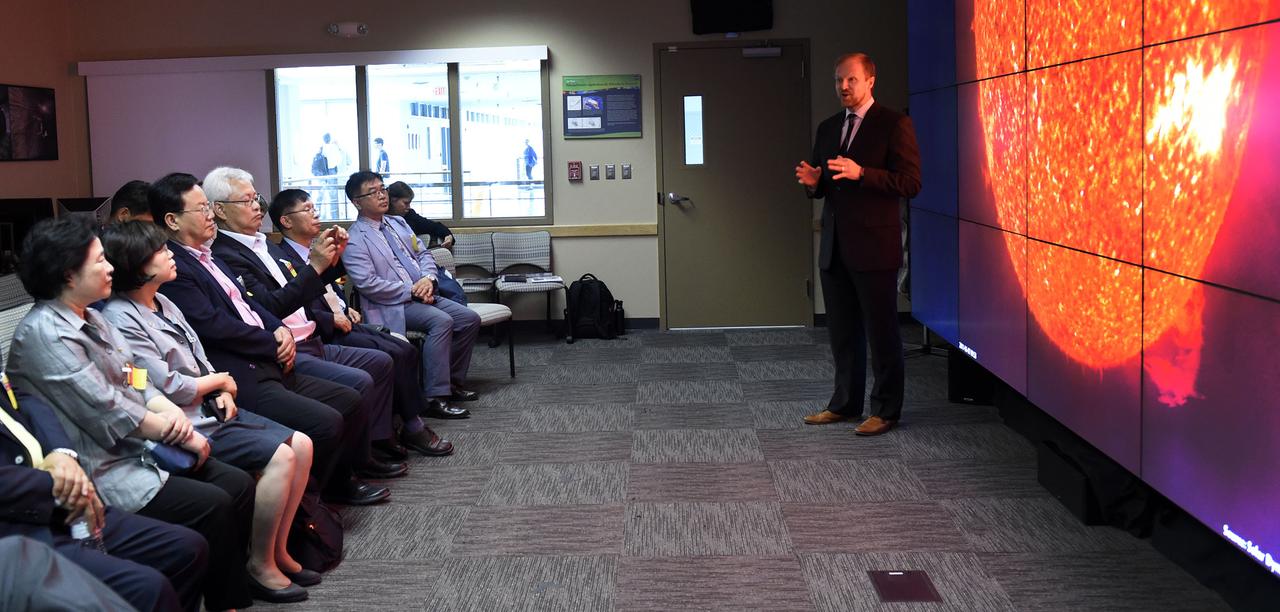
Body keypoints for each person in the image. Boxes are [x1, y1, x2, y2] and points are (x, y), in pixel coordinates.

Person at [7, 216, 254, 611]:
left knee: (236, 484)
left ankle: (232, 591)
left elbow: (133, 375)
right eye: (100, 261)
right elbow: (109, 409)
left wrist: (168, 412)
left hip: (138, 446)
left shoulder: (93, 315)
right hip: (103, 464)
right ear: (70, 274)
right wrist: (180, 433)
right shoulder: (47, 334)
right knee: (214, 505)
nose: (110, 269)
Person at [101, 220, 318, 602]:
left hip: (210, 405)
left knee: (302, 445)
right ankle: (259, 564)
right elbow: (164, 383)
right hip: (185, 419)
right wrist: (219, 383)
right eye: (161, 251)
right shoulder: (121, 317)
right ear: (138, 265)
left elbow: (198, 355)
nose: (171, 255)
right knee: (283, 456)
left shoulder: (164, 300)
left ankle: (278, 549)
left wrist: (219, 384)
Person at [147, 172, 388, 507]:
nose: (258, 206)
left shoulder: (215, 254)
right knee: (328, 419)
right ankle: (314, 499)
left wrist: (279, 329)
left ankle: (341, 477)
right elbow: (214, 325)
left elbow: (251, 305)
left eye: (256, 197)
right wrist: (273, 341)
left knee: (353, 392)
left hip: (280, 349)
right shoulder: (180, 266)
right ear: (172, 220)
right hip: (245, 369)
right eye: (201, 209)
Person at [203, 166, 409, 477]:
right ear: (219, 210)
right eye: (247, 201)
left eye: (256, 197)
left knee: (382, 360)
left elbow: (302, 292)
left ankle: (375, 444)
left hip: (313, 336)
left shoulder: (264, 243)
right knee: (359, 383)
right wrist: (316, 268)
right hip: (291, 349)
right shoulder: (225, 255)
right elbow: (271, 305)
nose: (258, 206)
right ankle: (352, 468)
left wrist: (329, 263)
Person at [1, 371, 209, 612]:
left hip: (71, 494)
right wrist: (58, 484)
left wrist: (61, 453)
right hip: (18, 526)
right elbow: (104, 403)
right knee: (150, 589)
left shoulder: (104, 333)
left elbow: (21, 398)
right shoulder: (52, 336)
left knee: (188, 549)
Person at [271, 188, 457, 454]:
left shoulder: (318, 248)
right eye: (308, 210)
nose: (316, 214)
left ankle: (403, 425)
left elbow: (329, 288)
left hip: (345, 319)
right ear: (286, 221)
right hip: (322, 331)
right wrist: (331, 316)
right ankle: (398, 432)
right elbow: (294, 300)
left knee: (403, 349)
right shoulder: (282, 256)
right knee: (393, 353)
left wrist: (345, 307)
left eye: (315, 208)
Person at [795, 52, 921, 436]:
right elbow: (824, 187)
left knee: (882, 333)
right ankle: (844, 404)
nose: (843, 87)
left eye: (851, 80)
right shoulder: (828, 128)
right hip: (834, 247)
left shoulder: (894, 124)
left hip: (874, 247)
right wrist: (814, 184)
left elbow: (910, 183)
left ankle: (886, 410)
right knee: (843, 333)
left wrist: (862, 172)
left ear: (870, 81)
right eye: (838, 81)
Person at [341, 171, 481, 418]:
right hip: (394, 303)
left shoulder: (399, 223)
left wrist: (428, 279)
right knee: (441, 321)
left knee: (469, 319)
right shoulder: (354, 239)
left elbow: (424, 255)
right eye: (372, 192)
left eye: (382, 189)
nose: (382, 195)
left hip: (425, 293)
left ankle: (451, 382)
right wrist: (412, 291)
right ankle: (434, 397)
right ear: (357, 202)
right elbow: (367, 284)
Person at [385, 181, 467, 304]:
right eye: (405, 203)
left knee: (450, 287)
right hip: (401, 271)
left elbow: (434, 226)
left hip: (420, 263)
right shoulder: (380, 221)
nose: (408, 207)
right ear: (393, 200)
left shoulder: (409, 216)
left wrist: (448, 236)